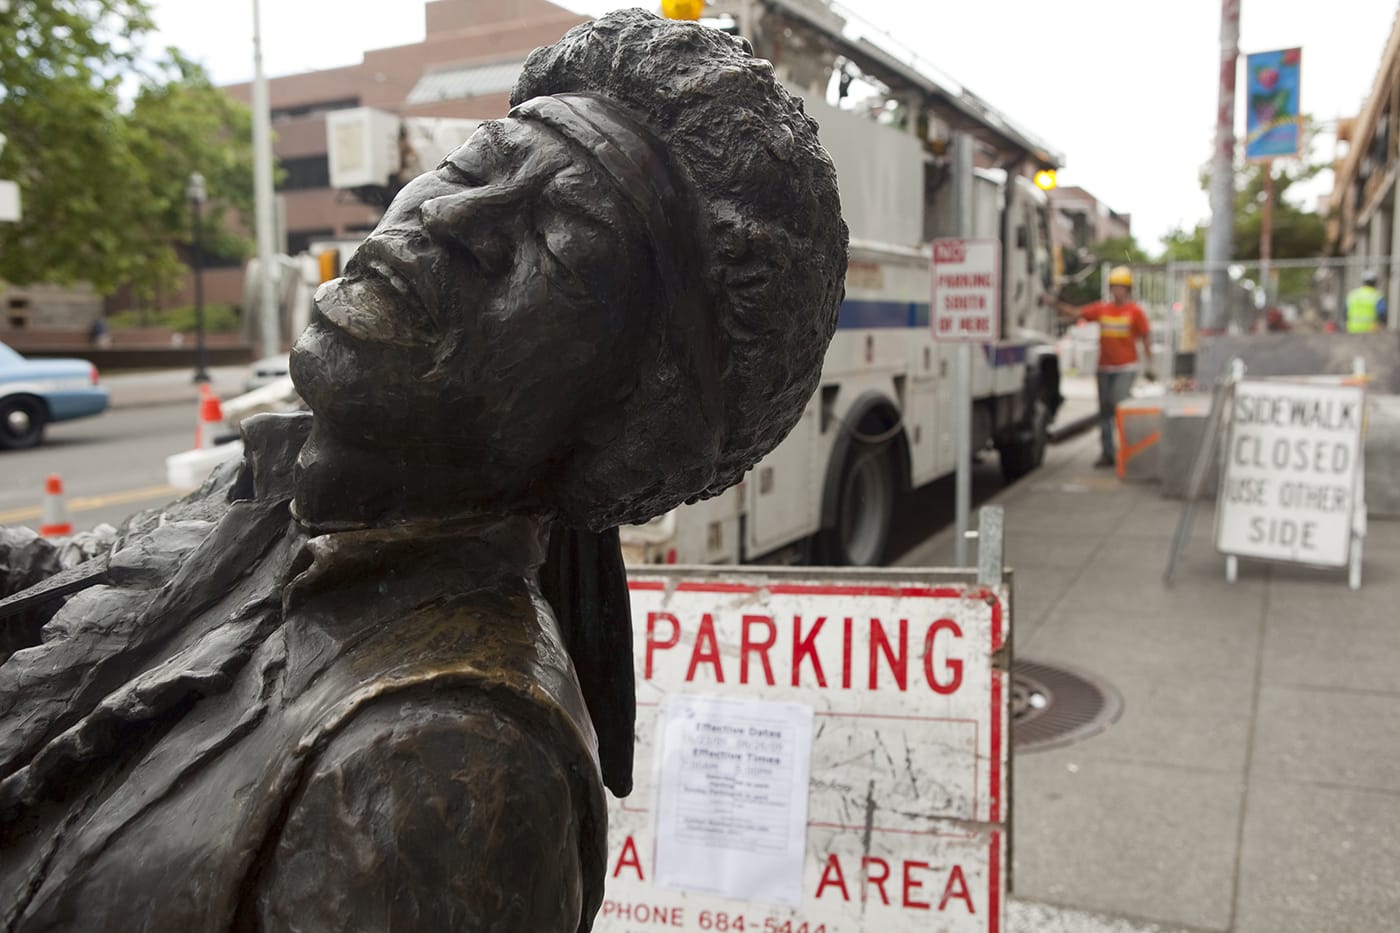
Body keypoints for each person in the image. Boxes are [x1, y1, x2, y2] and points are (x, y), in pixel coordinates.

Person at [0, 11, 847, 931]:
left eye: (562, 246)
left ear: (622, 414)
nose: (451, 217)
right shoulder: (292, 497)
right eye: (473, 166)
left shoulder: (443, 770)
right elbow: (74, 594)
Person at [1054, 265, 1152, 468]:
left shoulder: (1135, 312)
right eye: (1114, 287)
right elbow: (1076, 313)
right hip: (1104, 368)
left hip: (1126, 367)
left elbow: (1145, 337)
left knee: (1119, 406)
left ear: (1128, 290)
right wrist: (1052, 302)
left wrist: (1150, 364)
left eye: (1121, 287)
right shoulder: (1102, 309)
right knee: (1105, 411)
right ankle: (1108, 454)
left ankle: (1128, 451)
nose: (1117, 291)